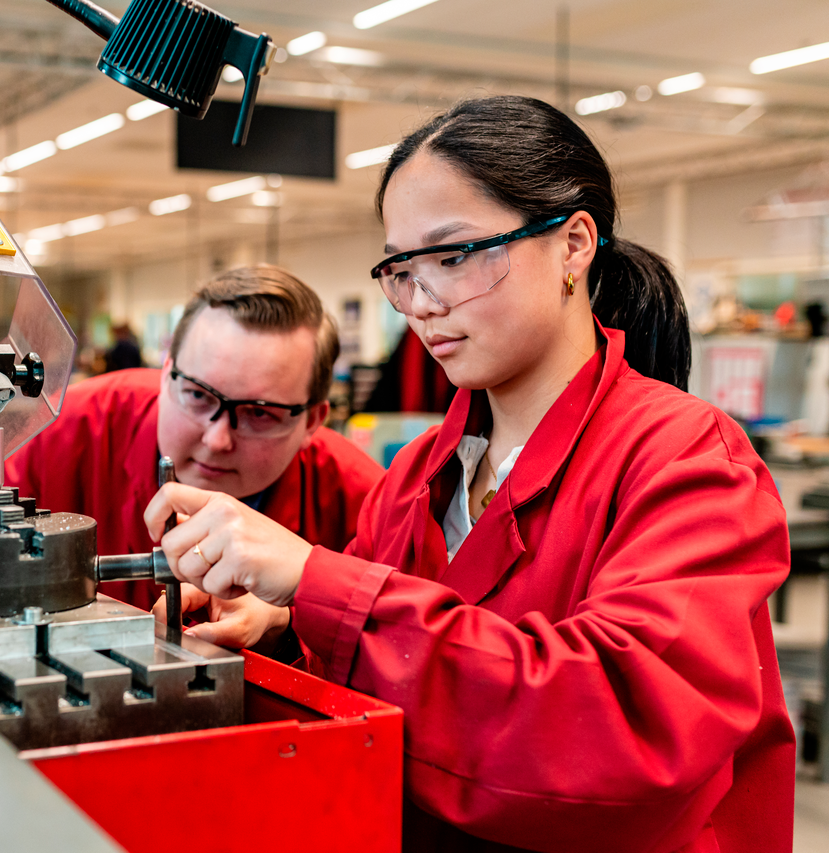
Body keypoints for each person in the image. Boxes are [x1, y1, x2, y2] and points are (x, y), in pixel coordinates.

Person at [144, 96, 794, 852]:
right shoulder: (422, 471)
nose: (422, 303)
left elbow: (620, 724)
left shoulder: (684, 456)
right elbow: (397, 667)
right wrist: (285, 625)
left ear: (574, 244)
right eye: (402, 268)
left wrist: (319, 581)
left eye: (452, 256)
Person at [5, 265, 384, 650]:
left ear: (313, 421)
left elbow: (403, 651)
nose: (218, 439)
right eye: (199, 396)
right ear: (166, 373)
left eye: (260, 414)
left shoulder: (365, 503)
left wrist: (292, 620)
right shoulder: (60, 435)